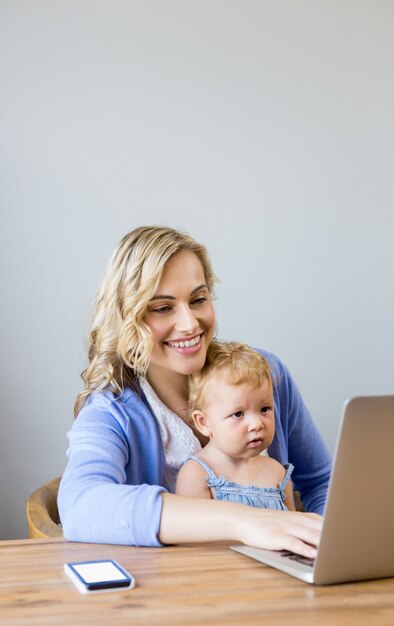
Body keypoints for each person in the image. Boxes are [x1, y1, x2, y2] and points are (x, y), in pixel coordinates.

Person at [57, 225, 331, 558]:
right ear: (127, 318)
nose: (189, 324)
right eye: (162, 308)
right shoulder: (111, 410)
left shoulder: (266, 375)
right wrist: (246, 521)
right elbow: (82, 505)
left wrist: (320, 549)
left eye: (198, 299)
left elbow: (320, 482)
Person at [176, 341, 296, 512]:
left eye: (264, 409)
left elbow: (295, 528)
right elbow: (192, 537)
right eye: (238, 414)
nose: (257, 424)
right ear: (204, 422)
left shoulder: (277, 472)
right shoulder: (197, 474)